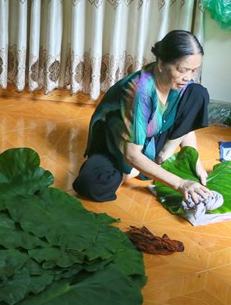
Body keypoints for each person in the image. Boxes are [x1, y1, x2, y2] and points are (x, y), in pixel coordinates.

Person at [72, 30, 213, 204]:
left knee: (198, 93)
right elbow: (131, 154)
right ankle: (134, 169)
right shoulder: (140, 92)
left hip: (152, 138)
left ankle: (159, 157)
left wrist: (195, 162)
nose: (188, 77)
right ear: (161, 63)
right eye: (183, 70)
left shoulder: (182, 84)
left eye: (194, 70)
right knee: (92, 184)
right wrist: (180, 183)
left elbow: (186, 127)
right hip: (119, 145)